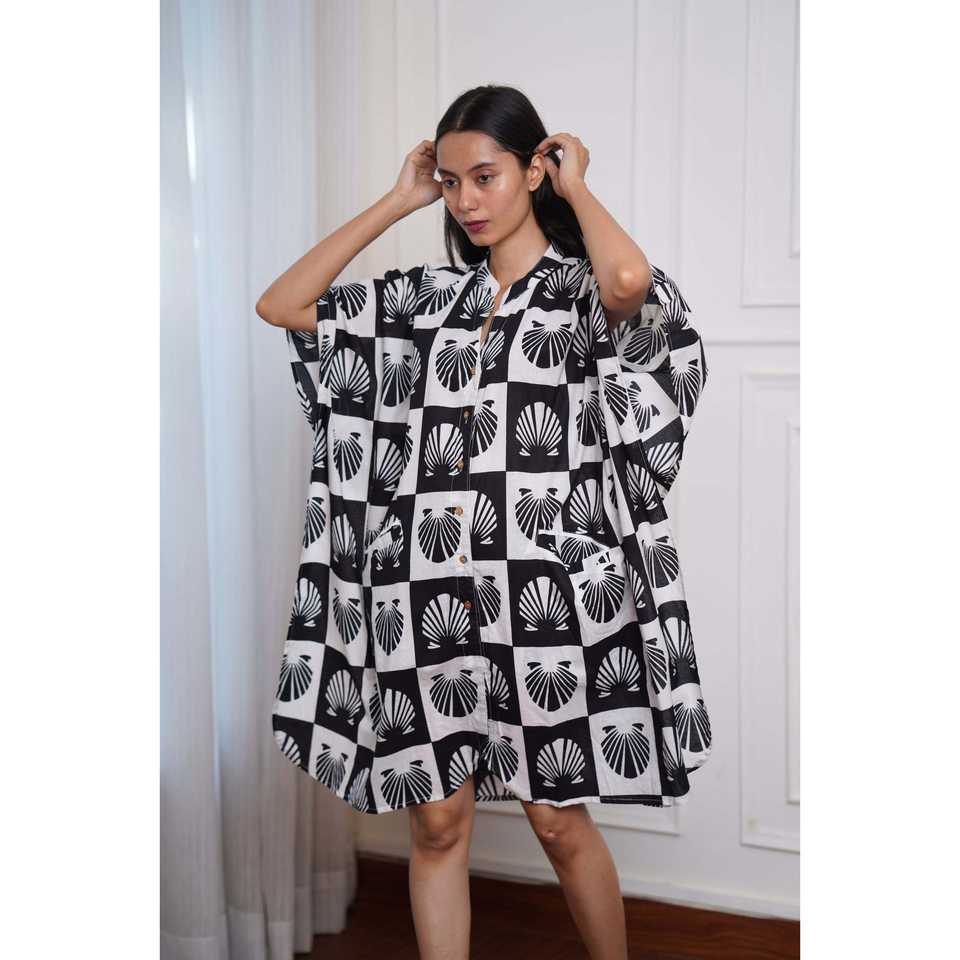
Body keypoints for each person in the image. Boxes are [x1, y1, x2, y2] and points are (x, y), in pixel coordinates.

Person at [257, 84, 710, 960]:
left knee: (556, 820)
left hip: (545, 600)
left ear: (533, 171)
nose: (465, 200)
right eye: (451, 180)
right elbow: (283, 305)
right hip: (423, 594)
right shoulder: (427, 301)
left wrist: (577, 186)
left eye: (486, 176)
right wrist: (398, 201)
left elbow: (631, 284)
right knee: (437, 822)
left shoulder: (579, 293)